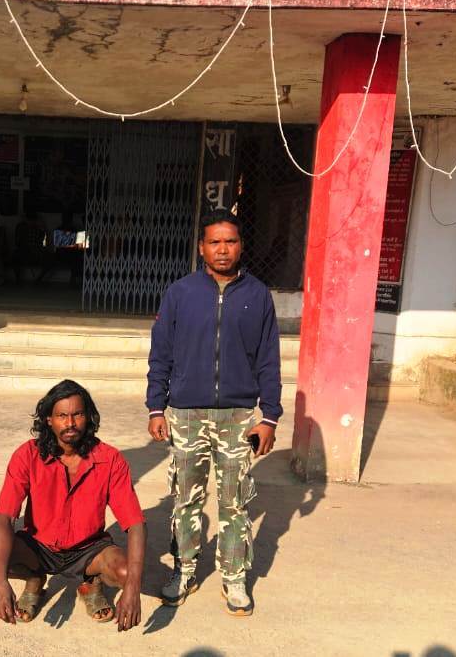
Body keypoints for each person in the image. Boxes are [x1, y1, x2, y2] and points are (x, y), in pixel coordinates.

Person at [146, 209, 282, 617]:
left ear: (241, 246)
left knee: (235, 502)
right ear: (201, 247)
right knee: (185, 499)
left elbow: (268, 360)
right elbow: (161, 354)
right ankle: (184, 571)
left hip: (238, 416)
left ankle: (235, 578)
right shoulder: (180, 293)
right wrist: (156, 406)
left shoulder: (258, 295)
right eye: (215, 242)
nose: (223, 249)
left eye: (231, 241)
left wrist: (269, 417)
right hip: (186, 415)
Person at [0, 380, 146, 632]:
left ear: (88, 417)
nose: (70, 423)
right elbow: (5, 517)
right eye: (62, 416)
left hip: (89, 550)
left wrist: (133, 589)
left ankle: (91, 582)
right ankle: (34, 578)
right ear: (48, 419)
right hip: (39, 546)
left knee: (126, 573)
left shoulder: (110, 459)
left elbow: (135, 524)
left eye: (77, 414)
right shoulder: (27, 455)